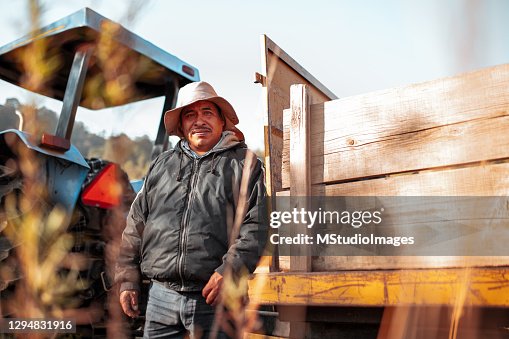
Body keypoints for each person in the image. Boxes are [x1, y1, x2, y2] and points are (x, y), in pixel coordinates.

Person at [114, 81, 267, 338]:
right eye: (190, 114)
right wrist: (128, 280)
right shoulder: (161, 166)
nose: (199, 121)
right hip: (161, 297)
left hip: (216, 297)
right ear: (182, 126)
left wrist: (228, 272)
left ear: (221, 121)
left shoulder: (245, 164)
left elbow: (257, 226)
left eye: (207, 112)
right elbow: (135, 224)